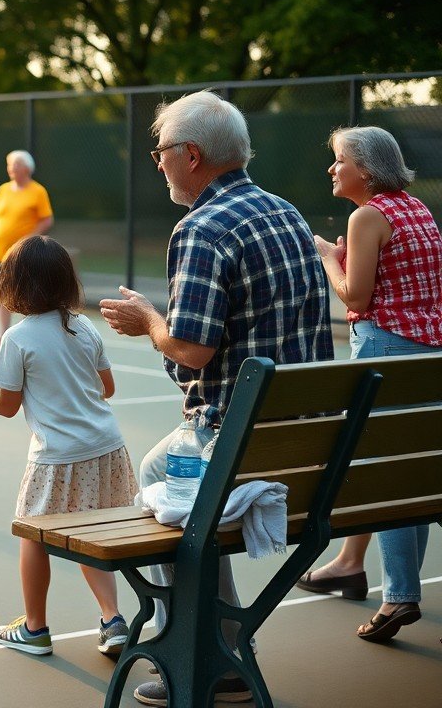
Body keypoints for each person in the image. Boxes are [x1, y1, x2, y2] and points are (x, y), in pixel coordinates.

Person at [99, 90, 332, 706]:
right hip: (310, 442)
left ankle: (199, 652)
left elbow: (191, 350)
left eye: (161, 152)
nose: (158, 162)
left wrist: (148, 321)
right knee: (170, 480)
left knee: (159, 478)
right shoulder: (286, 213)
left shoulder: (202, 228)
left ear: (192, 155)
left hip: (239, 444)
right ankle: (222, 644)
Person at [294, 126, 442, 643]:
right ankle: (381, 580)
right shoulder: (417, 209)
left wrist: (328, 259)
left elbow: (355, 297)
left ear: (367, 169)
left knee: (389, 478)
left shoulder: (366, 216)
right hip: (429, 355)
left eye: (340, 160)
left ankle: (399, 596)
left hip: (385, 351)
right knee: (414, 473)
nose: (332, 169)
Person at [0, 234, 137, 659]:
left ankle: (35, 629)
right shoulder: (84, 326)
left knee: (33, 535)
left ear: (14, 284)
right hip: (107, 448)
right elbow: (107, 388)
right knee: (92, 533)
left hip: (56, 458)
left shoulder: (17, 338)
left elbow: (6, 406)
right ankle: (112, 620)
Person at [0, 150, 54, 354]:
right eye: (9, 164)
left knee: (26, 295)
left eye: (15, 164)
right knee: (2, 295)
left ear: (27, 168)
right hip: (1, 253)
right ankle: (3, 336)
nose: (10, 168)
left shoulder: (38, 191)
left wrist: (28, 239)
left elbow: (47, 219)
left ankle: (28, 337)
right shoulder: (3, 189)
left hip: (24, 255)